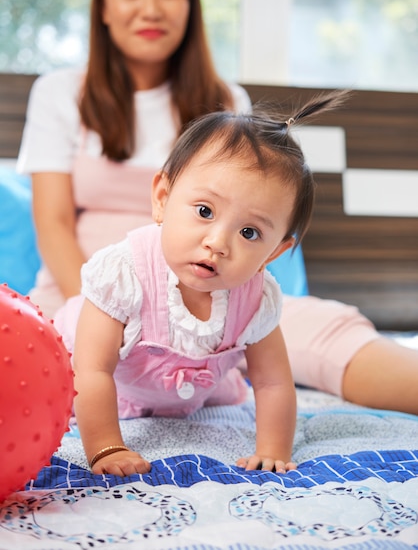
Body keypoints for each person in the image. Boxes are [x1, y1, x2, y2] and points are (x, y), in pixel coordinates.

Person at [17, 0, 418, 418]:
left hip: (218, 296)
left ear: (191, 5)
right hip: (92, 298)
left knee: (324, 330)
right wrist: (113, 316)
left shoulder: (226, 102)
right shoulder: (60, 92)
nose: (151, 8)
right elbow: (52, 222)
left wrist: (202, 323)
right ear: (102, 6)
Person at [57, 93, 342, 476]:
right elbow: (92, 370)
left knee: (225, 387)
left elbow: (273, 381)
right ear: (162, 199)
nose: (218, 243)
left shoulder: (256, 299)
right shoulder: (123, 274)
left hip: (179, 392)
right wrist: (107, 448)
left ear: (273, 253)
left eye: (249, 232)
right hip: (84, 374)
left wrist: (273, 450)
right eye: (204, 211)